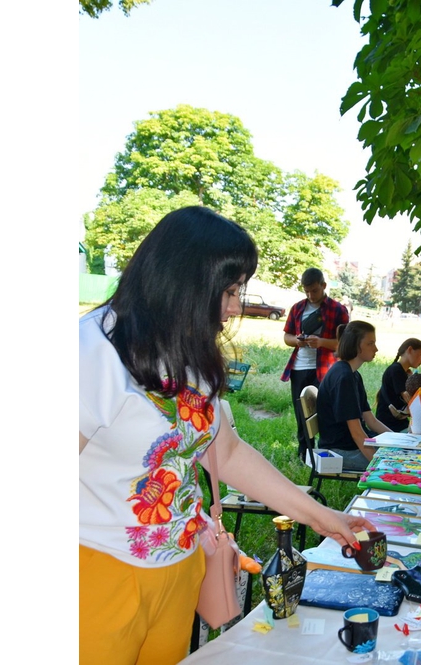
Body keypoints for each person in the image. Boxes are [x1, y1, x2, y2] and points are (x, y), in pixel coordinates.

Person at [79, 206, 373, 665]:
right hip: (98, 573)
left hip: (178, 572)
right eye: (229, 290)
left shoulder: (189, 357)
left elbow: (229, 453)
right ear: (182, 280)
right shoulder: (91, 351)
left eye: (240, 290)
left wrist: (320, 516)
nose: (236, 306)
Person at [280, 268, 350, 459]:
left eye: (314, 291)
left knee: (326, 413)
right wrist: (297, 341)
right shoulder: (297, 308)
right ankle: (305, 454)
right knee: (302, 413)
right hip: (299, 368)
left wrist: (321, 343)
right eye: (307, 291)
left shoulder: (338, 309)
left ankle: (328, 451)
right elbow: (286, 336)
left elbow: (344, 343)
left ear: (324, 286)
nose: (311, 295)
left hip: (326, 369)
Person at [316, 321, 395, 470]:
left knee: (401, 456)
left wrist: (400, 440)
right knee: (399, 464)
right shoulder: (344, 377)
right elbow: (357, 434)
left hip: (353, 447)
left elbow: (371, 420)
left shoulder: (353, 374)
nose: (376, 349)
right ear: (356, 345)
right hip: (340, 452)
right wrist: (380, 466)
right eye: (370, 343)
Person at [375, 338, 421, 432]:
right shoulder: (396, 370)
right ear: (410, 350)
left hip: (397, 423)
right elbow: (410, 399)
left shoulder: (402, 371)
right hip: (390, 425)